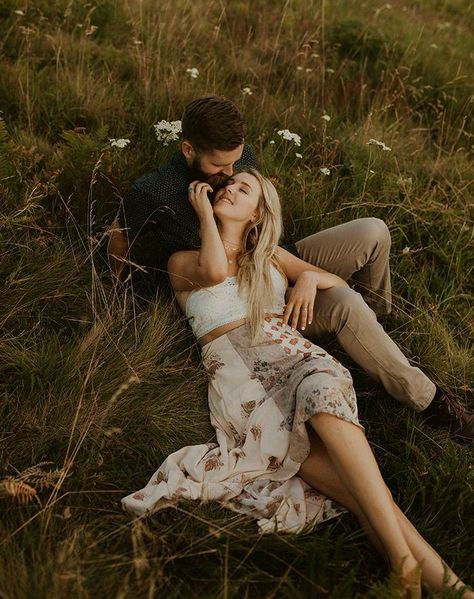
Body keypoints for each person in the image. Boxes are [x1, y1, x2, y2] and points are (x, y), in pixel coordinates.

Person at [121, 169, 473, 598]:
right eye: (227, 186)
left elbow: (338, 283)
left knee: (321, 394)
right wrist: (203, 214)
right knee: (364, 492)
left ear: (258, 214)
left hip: (295, 360)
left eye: (243, 189)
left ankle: (407, 569)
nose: (229, 189)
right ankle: (451, 588)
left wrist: (306, 277)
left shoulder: (270, 259)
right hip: (243, 387)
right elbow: (214, 270)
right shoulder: (185, 261)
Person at [108, 95, 474, 442]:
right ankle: (430, 401)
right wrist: (121, 291)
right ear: (189, 150)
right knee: (344, 301)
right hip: (230, 297)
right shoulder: (154, 192)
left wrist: (309, 276)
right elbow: (120, 239)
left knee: (373, 231)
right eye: (221, 167)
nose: (232, 173)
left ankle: (375, 323)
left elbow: (257, 209)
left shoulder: (238, 158)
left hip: (269, 260)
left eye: (237, 163)